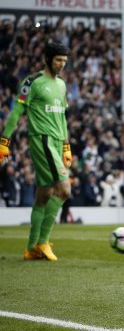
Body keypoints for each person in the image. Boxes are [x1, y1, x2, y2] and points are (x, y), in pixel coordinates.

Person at [0, 40, 73, 261]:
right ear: (48, 59)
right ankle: (43, 241)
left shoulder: (61, 85)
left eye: (64, 61)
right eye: (58, 60)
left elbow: (61, 117)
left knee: (44, 195)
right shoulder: (32, 82)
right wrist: (5, 140)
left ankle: (31, 248)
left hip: (56, 142)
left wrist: (66, 146)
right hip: (42, 140)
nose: (61, 64)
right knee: (64, 190)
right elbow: (16, 111)